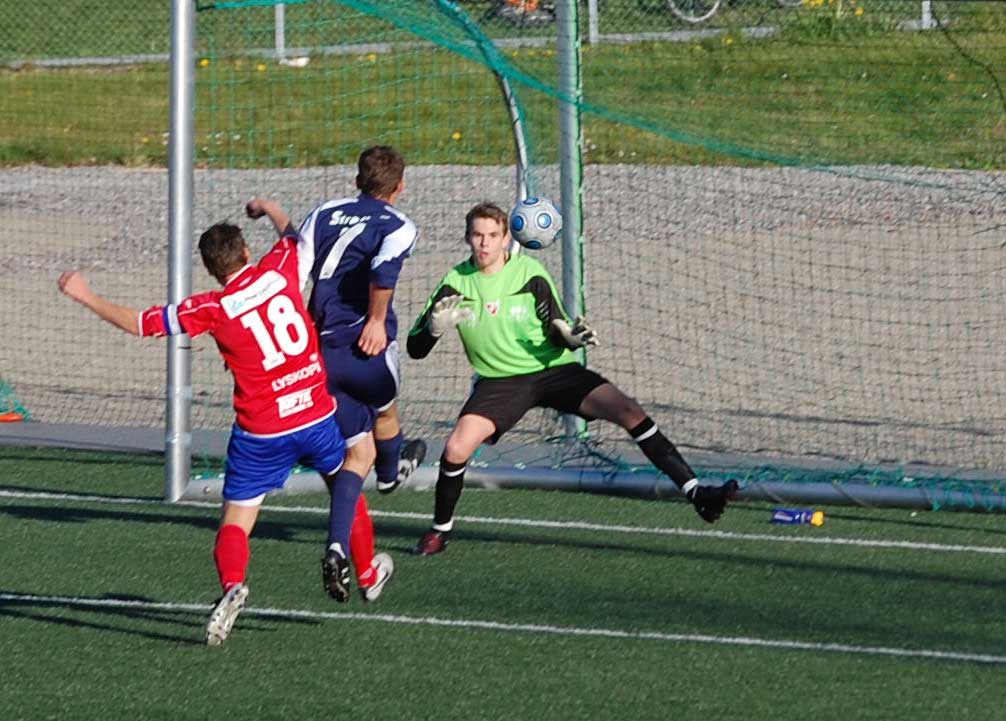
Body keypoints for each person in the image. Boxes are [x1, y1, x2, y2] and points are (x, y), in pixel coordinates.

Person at [57, 210, 360, 645]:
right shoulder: (279, 268)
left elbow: (142, 324)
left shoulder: (212, 307)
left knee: (234, 524)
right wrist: (271, 208)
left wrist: (85, 294)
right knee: (347, 482)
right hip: (313, 414)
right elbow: (294, 237)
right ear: (247, 251)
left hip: (262, 431)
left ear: (210, 269)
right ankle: (366, 571)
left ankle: (234, 583)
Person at [407, 202, 738, 555]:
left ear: (507, 238)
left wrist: (571, 339)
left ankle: (697, 493)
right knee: (457, 446)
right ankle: (439, 531)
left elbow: (556, 329)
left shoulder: (529, 275)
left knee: (627, 410)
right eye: (477, 235)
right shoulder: (455, 282)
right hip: (500, 381)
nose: (484, 244)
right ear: (467, 238)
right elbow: (415, 348)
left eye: (492, 236)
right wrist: (432, 330)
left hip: (554, 371)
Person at [248, 146, 423, 599]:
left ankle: (335, 546)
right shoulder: (400, 225)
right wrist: (375, 321)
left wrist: (272, 210)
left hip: (316, 354)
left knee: (353, 458)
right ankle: (390, 474)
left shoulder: (325, 212)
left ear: (355, 179)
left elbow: (294, 263)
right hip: (362, 347)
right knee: (386, 412)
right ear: (399, 187)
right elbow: (383, 272)